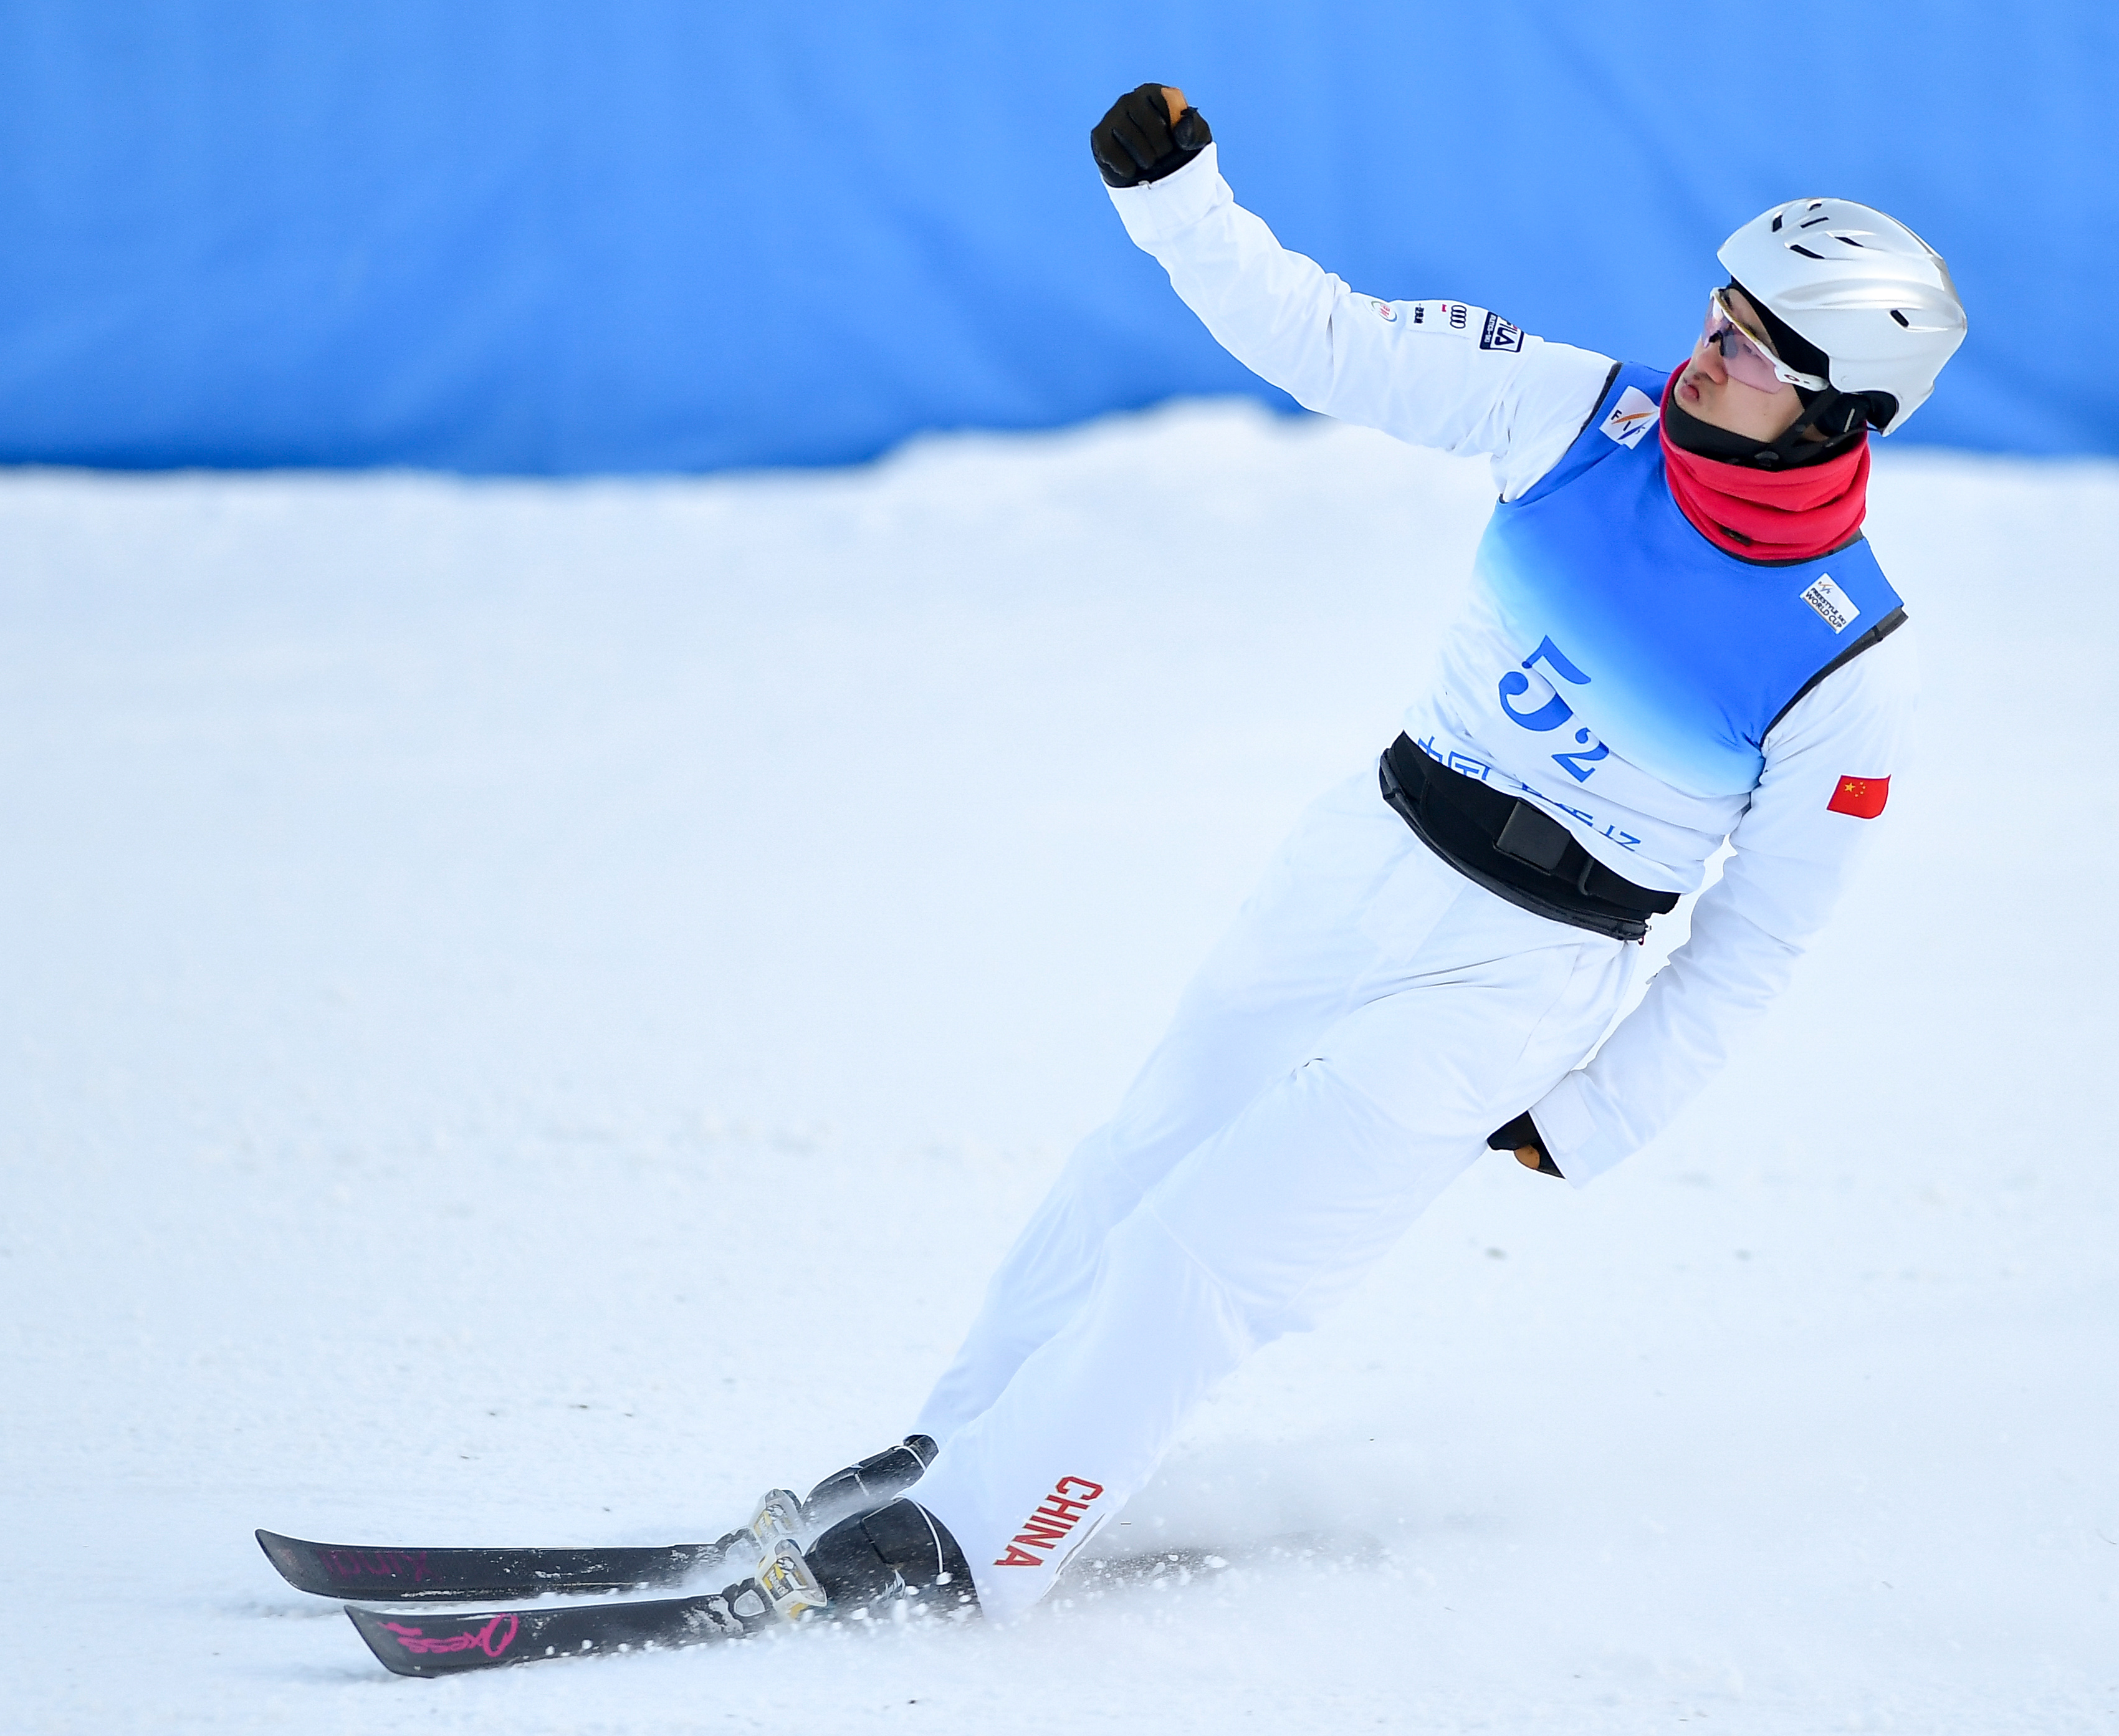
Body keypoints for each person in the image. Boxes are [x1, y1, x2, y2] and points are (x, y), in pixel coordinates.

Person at [755, 81, 1969, 1626]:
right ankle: (947, 1452)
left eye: (1751, 344)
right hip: (1364, 854)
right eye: (1718, 309)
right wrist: (1183, 210)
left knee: (1208, 1260)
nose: (1705, 347)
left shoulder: (1854, 666)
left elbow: (1765, 935)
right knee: (1139, 1164)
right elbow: (1334, 338)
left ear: (1840, 411)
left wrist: (1602, 1113)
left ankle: (983, 1546)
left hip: (1515, 974)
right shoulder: (1579, 410)